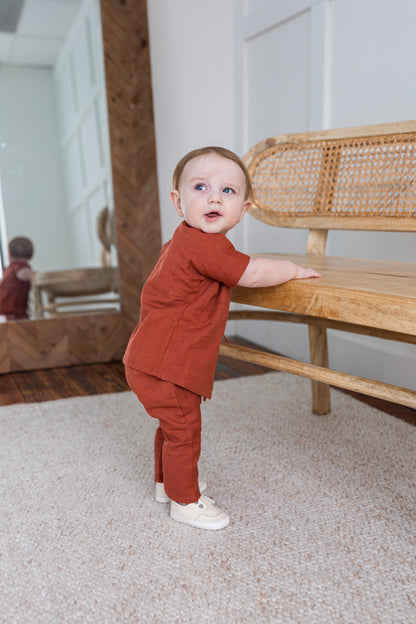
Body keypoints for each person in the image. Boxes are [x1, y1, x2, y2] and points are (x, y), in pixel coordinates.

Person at [123, 146, 321, 531]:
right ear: (179, 203)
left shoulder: (181, 240)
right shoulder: (204, 244)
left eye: (228, 191)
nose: (214, 197)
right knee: (184, 430)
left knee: (170, 427)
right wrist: (293, 269)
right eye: (201, 187)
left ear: (243, 209)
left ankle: (168, 484)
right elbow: (253, 273)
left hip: (148, 359)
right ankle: (185, 500)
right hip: (167, 365)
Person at [0, 236, 34, 321]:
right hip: (12, 310)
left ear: (9, 253)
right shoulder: (20, 268)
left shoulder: (10, 268)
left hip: (5, 308)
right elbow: (24, 274)